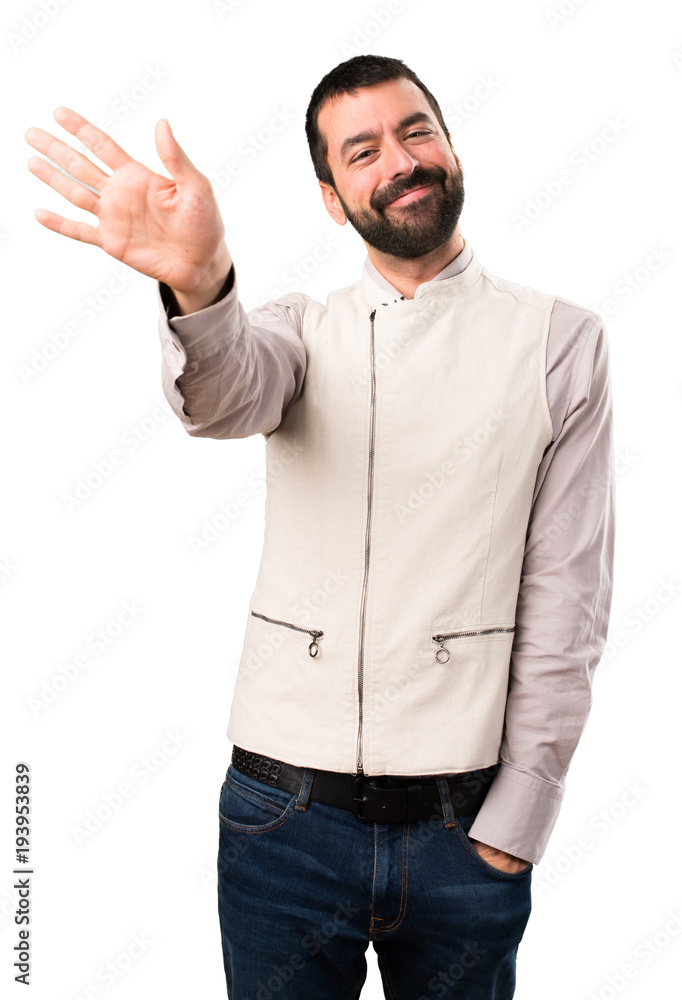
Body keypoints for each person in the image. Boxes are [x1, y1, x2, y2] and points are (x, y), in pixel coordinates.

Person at [25, 54, 615, 999]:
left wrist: (523, 811)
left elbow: (567, 597)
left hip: (465, 829)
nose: (402, 161)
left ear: (453, 149)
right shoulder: (298, 330)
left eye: (417, 132)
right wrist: (201, 284)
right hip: (282, 824)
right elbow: (224, 395)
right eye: (363, 151)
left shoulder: (561, 340)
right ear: (334, 201)